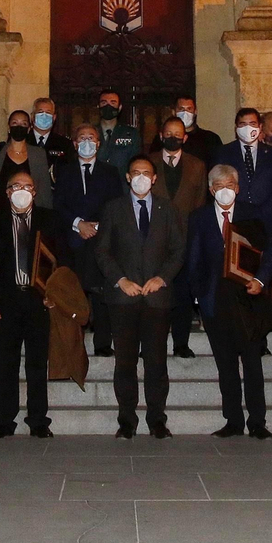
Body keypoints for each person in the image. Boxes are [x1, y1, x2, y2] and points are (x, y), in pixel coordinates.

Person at [96, 155, 186, 438]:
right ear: (127, 177)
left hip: (157, 299)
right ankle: (127, 421)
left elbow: (178, 250)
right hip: (123, 299)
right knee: (125, 362)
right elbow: (102, 251)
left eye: (146, 172)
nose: (141, 177)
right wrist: (120, 280)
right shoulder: (113, 208)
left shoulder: (168, 208)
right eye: (135, 172)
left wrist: (162, 278)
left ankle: (157, 420)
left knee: (156, 362)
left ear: (155, 178)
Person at [186, 165, 272, 438]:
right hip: (215, 300)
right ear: (210, 189)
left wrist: (261, 280)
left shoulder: (255, 213)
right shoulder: (199, 217)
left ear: (237, 187)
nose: (224, 190)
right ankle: (233, 421)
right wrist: (199, 297)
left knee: (252, 362)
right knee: (225, 365)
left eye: (229, 184)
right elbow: (193, 259)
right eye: (218, 185)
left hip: (248, 298)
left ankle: (257, 422)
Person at [0, 170, 71, 437]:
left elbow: (62, 260)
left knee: (37, 363)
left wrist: (57, 294)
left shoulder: (49, 219)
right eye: (15, 185)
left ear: (35, 191)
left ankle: (38, 420)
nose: (21, 190)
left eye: (27, 186)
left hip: (39, 300)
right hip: (5, 301)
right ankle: (4, 422)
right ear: (7, 192)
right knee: (5, 364)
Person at [54, 123, 124, 357]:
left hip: (100, 241)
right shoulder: (63, 171)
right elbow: (58, 204)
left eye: (91, 138)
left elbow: (116, 205)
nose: (86, 142)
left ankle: (103, 342)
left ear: (98, 143)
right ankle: (73, 345)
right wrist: (78, 224)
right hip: (72, 239)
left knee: (101, 293)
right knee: (73, 292)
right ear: (74, 144)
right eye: (81, 138)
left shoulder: (110, 172)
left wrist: (98, 225)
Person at [150, 116, 207, 356]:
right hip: (153, 240)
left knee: (183, 296)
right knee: (154, 297)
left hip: (184, 241)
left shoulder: (197, 165)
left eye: (178, 134)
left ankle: (181, 343)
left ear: (185, 137)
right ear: (161, 136)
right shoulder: (148, 162)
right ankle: (153, 344)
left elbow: (200, 204)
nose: (173, 138)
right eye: (168, 133)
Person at [215, 108, 272, 225]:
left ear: (260, 127)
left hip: (268, 221)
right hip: (236, 220)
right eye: (243, 124)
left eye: (252, 124)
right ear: (236, 128)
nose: (247, 128)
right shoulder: (224, 153)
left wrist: (263, 211)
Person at [0, 110, 55, 216]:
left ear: (29, 128)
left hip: (30, 215)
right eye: (15, 123)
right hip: (0, 213)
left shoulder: (38, 154)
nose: (19, 126)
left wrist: (46, 216)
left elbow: (45, 189)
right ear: (8, 127)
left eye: (23, 124)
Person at [95, 90, 143, 173]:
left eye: (113, 103)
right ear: (98, 106)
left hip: (122, 183)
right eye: (104, 102)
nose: (108, 106)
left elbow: (136, 162)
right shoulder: (91, 132)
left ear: (120, 107)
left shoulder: (131, 134)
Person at [167, 96, 224, 164]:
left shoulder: (211, 139)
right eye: (181, 109)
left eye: (189, 109)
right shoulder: (164, 138)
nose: (185, 113)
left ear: (195, 112)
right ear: (174, 112)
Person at [28, 97, 72, 169]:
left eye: (48, 112)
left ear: (54, 117)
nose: (44, 116)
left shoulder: (65, 144)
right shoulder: (23, 140)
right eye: (40, 112)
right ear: (33, 116)